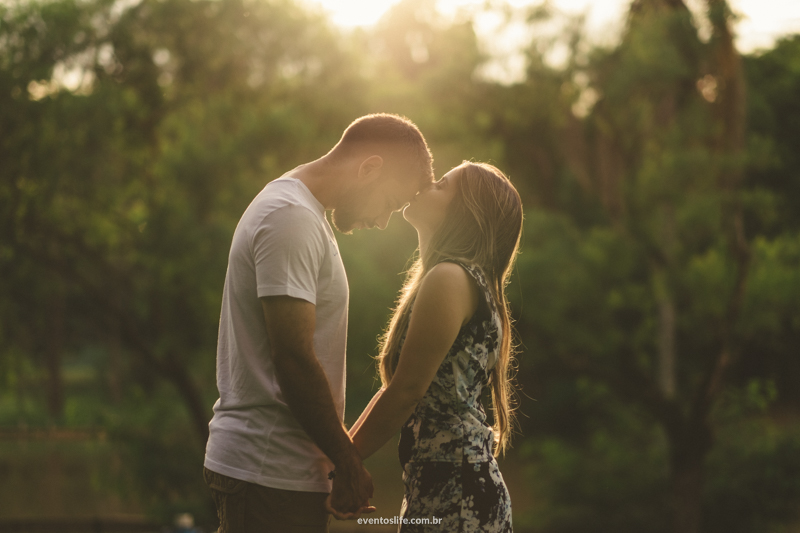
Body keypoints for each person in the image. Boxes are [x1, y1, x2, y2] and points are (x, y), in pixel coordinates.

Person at [203, 113, 434, 532]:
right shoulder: (290, 218)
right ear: (369, 169)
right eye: (389, 204)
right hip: (266, 472)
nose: (382, 221)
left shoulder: (304, 213)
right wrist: (346, 460)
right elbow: (292, 357)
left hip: (282, 473)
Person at [346, 161, 523, 532]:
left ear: (464, 214)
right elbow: (396, 391)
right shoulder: (461, 277)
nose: (427, 184)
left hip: (457, 493)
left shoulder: (451, 278)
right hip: (447, 486)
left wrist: (340, 464)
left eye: (442, 184)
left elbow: (406, 392)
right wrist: (343, 452)